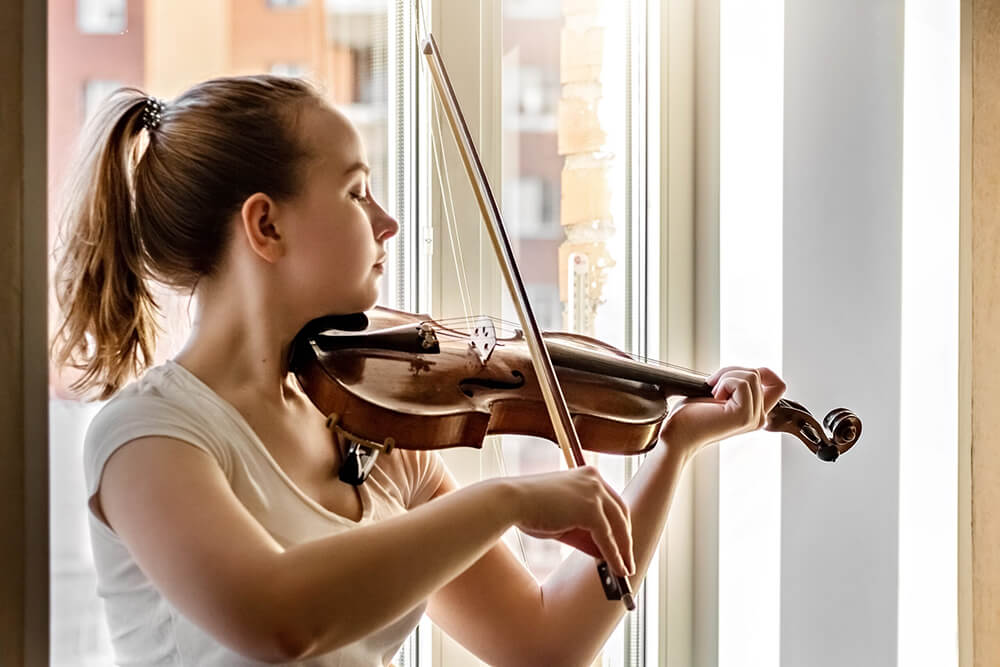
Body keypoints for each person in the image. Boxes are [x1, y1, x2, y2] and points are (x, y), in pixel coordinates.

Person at [52, 75, 786, 666]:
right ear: (265, 226)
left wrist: (671, 448)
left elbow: (542, 642)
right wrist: (504, 501)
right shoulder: (148, 438)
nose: (386, 220)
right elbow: (280, 619)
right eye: (354, 190)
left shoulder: (371, 425)